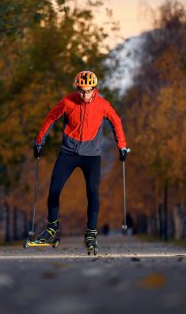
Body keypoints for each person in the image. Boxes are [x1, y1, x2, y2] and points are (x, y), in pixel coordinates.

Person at [33, 70, 129, 251]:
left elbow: (116, 121)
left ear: (94, 89)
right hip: (68, 153)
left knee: (92, 193)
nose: (85, 95)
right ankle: (52, 226)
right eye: (81, 91)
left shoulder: (102, 105)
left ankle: (91, 232)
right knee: (54, 189)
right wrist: (39, 142)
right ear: (77, 89)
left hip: (91, 155)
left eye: (88, 91)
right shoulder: (67, 102)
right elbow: (50, 119)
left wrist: (122, 146)